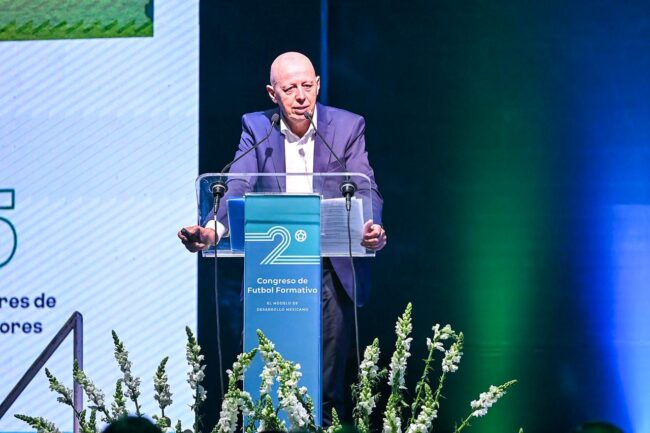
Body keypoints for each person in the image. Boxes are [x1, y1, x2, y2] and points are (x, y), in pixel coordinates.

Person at [178, 52, 386, 425]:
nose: (301, 96)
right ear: (273, 93)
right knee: (266, 382)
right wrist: (212, 230)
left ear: (318, 85)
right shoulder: (257, 128)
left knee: (327, 386)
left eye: (307, 86)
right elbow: (238, 184)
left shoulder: (346, 126)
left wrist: (370, 227)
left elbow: (364, 184)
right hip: (273, 270)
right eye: (290, 89)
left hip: (328, 268)